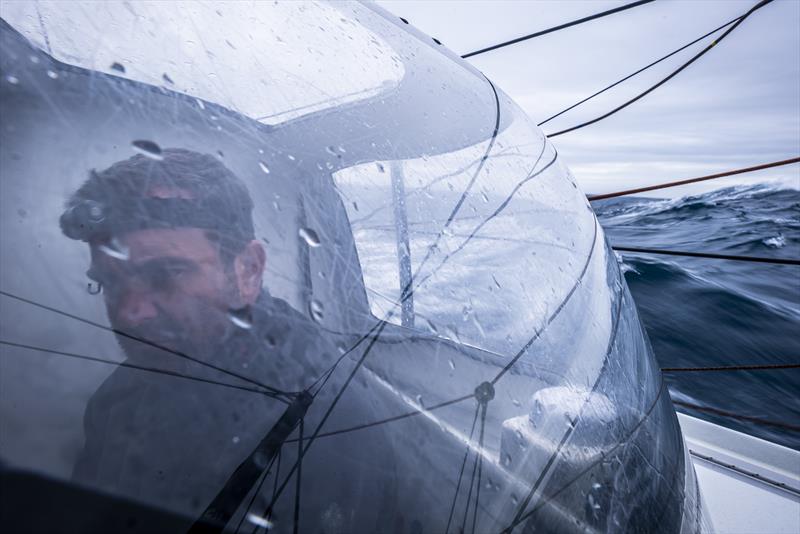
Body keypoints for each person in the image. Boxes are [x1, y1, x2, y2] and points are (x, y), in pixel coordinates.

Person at [60, 148, 399, 532]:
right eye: (110, 282)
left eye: (166, 274)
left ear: (248, 271)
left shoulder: (324, 423)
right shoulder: (118, 397)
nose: (131, 311)